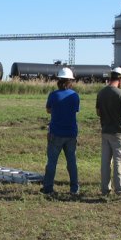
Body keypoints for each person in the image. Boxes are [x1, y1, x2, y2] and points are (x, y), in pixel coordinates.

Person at [42, 67, 81, 195]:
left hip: (56, 133)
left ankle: (48, 188)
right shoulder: (75, 96)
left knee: (52, 162)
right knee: (71, 162)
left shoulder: (53, 95)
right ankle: (74, 188)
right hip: (71, 133)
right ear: (70, 81)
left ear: (59, 80)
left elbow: (48, 110)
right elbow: (75, 111)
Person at [96, 67, 121, 195]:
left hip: (106, 131)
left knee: (105, 162)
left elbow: (98, 112)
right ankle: (120, 190)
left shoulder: (101, 93)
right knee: (119, 162)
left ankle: (105, 189)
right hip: (119, 133)